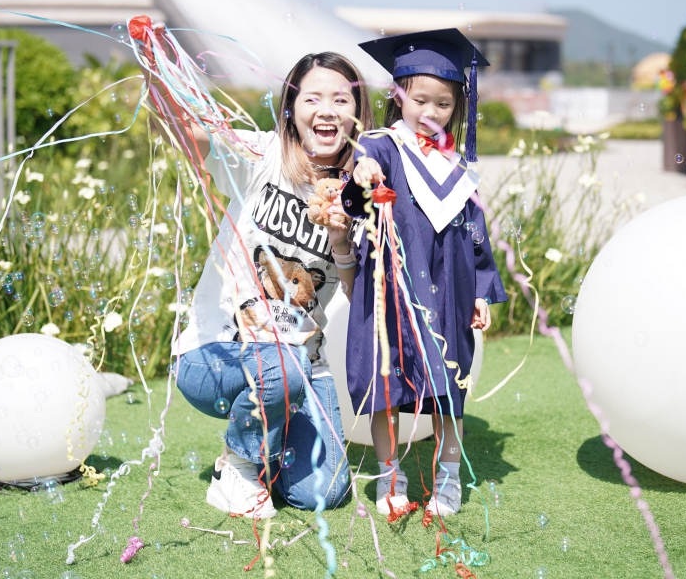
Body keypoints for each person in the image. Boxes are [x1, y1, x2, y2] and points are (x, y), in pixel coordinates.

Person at [142, 35, 373, 519]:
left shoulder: (364, 196)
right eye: (312, 98)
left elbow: (364, 299)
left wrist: (341, 243)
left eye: (341, 99)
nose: (326, 110)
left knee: (324, 495)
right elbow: (184, 132)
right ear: (291, 109)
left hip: (302, 363)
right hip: (217, 352)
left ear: (358, 114)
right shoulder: (260, 154)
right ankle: (239, 466)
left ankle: (272, 429)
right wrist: (156, 69)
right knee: (281, 366)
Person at [340, 28, 507, 519]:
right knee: (385, 385)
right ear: (398, 95)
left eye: (443, 104)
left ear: (457, 107)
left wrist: (481, 291)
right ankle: (389, 475)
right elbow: (362, 176)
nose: (431, 112)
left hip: (450, 288)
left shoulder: (457, 167)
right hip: (389, 288)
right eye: (420, 100)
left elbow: (475, 232)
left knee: (449, 390)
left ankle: (448, 479)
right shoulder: (382, 146)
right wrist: (362, 175)